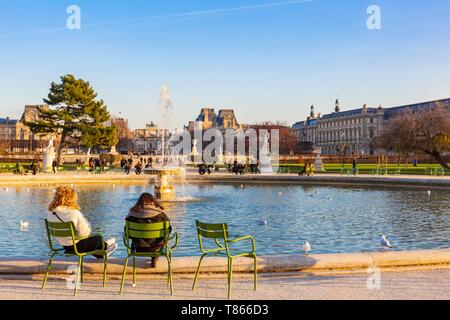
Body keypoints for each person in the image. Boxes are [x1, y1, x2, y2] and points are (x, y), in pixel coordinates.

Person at [47, 187, 117, 258]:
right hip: (77, 247)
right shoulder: (73, 212)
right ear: (71, 199)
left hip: (65, 246)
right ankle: (105, 247)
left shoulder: (51, 213)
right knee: (98, 237)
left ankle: (104, 247)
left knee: (93, 239)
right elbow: (85, 233)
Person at [125, 193, 172, 268]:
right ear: (153, 202)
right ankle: (154, 256)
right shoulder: (161, 215)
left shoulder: (131, 216)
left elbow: (127, 234)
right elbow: (168, 230)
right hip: (157, 247)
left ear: (138, 202)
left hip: (138, 247)